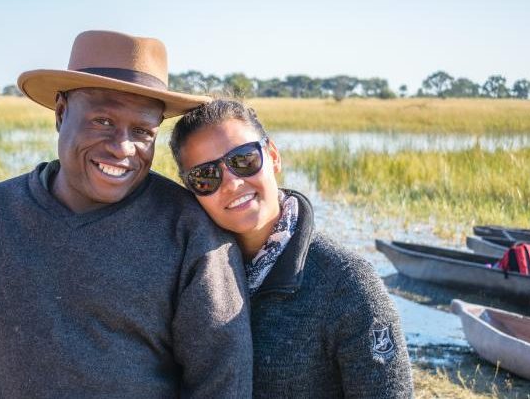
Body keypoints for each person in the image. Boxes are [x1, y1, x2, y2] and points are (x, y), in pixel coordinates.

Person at [0, 31, 253, 398]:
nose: (123, 148)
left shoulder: (190, 232)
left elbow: (222, 379)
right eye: (102, 121)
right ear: (61, 113)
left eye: (142, 131)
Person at [170, 99, 414, 398]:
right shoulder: (189, 277)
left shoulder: (348, 283)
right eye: (206, 176)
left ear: (272, 156)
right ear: (191, 192)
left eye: (243, 160)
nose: (232, 183)